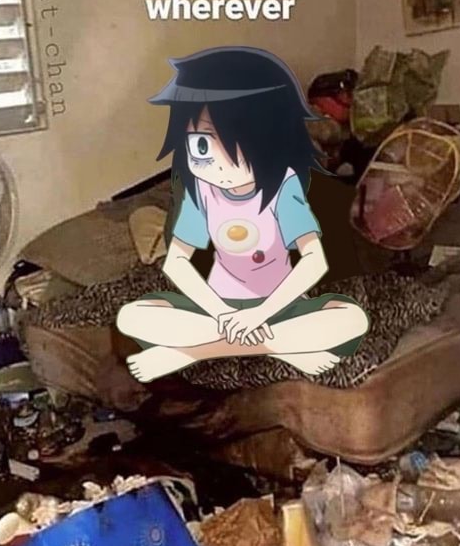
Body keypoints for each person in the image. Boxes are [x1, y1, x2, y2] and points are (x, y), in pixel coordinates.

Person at [117, 46, 369, 383]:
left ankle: (195, 352)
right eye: (200, 146)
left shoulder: (283, 188)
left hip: (278, 307)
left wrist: (259, 316)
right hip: (219, 308)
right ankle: (278, 346)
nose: (212, 162)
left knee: (351, 319)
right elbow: (177, 262)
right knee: (133, 317)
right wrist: (221, 313)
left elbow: (313, 261)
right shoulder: (200, 193)